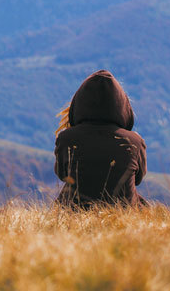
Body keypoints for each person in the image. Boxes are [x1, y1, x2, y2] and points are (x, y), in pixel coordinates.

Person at [54, 69, 147, 207]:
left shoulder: (66, 138)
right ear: (122, 106)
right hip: (124, 212)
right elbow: (137, 179)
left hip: (75, 210)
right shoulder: (134, 142)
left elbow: (62, 174)